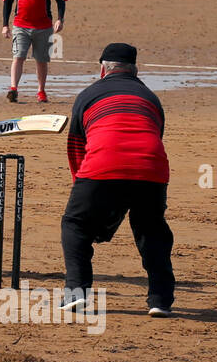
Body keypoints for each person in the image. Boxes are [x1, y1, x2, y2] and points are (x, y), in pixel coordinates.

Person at [59, 43, 175, 317]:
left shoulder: (88, 94)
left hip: (103, 163)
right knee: (152, 229)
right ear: (135, 70)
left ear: (103, 68)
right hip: (151, 165)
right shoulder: (149, 96)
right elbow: (155, 136)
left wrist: (84, 187)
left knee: (75, 224)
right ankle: (160, 300)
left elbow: (76, 147)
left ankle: (77, 293)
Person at [1, 0, 67, 104]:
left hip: (43, 27)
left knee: (41, 60)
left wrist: (60, 19)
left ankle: (41, 91)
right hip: (20, 26)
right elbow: (7, 2)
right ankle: (13, 89)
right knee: (18, 57)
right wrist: (5, 25)